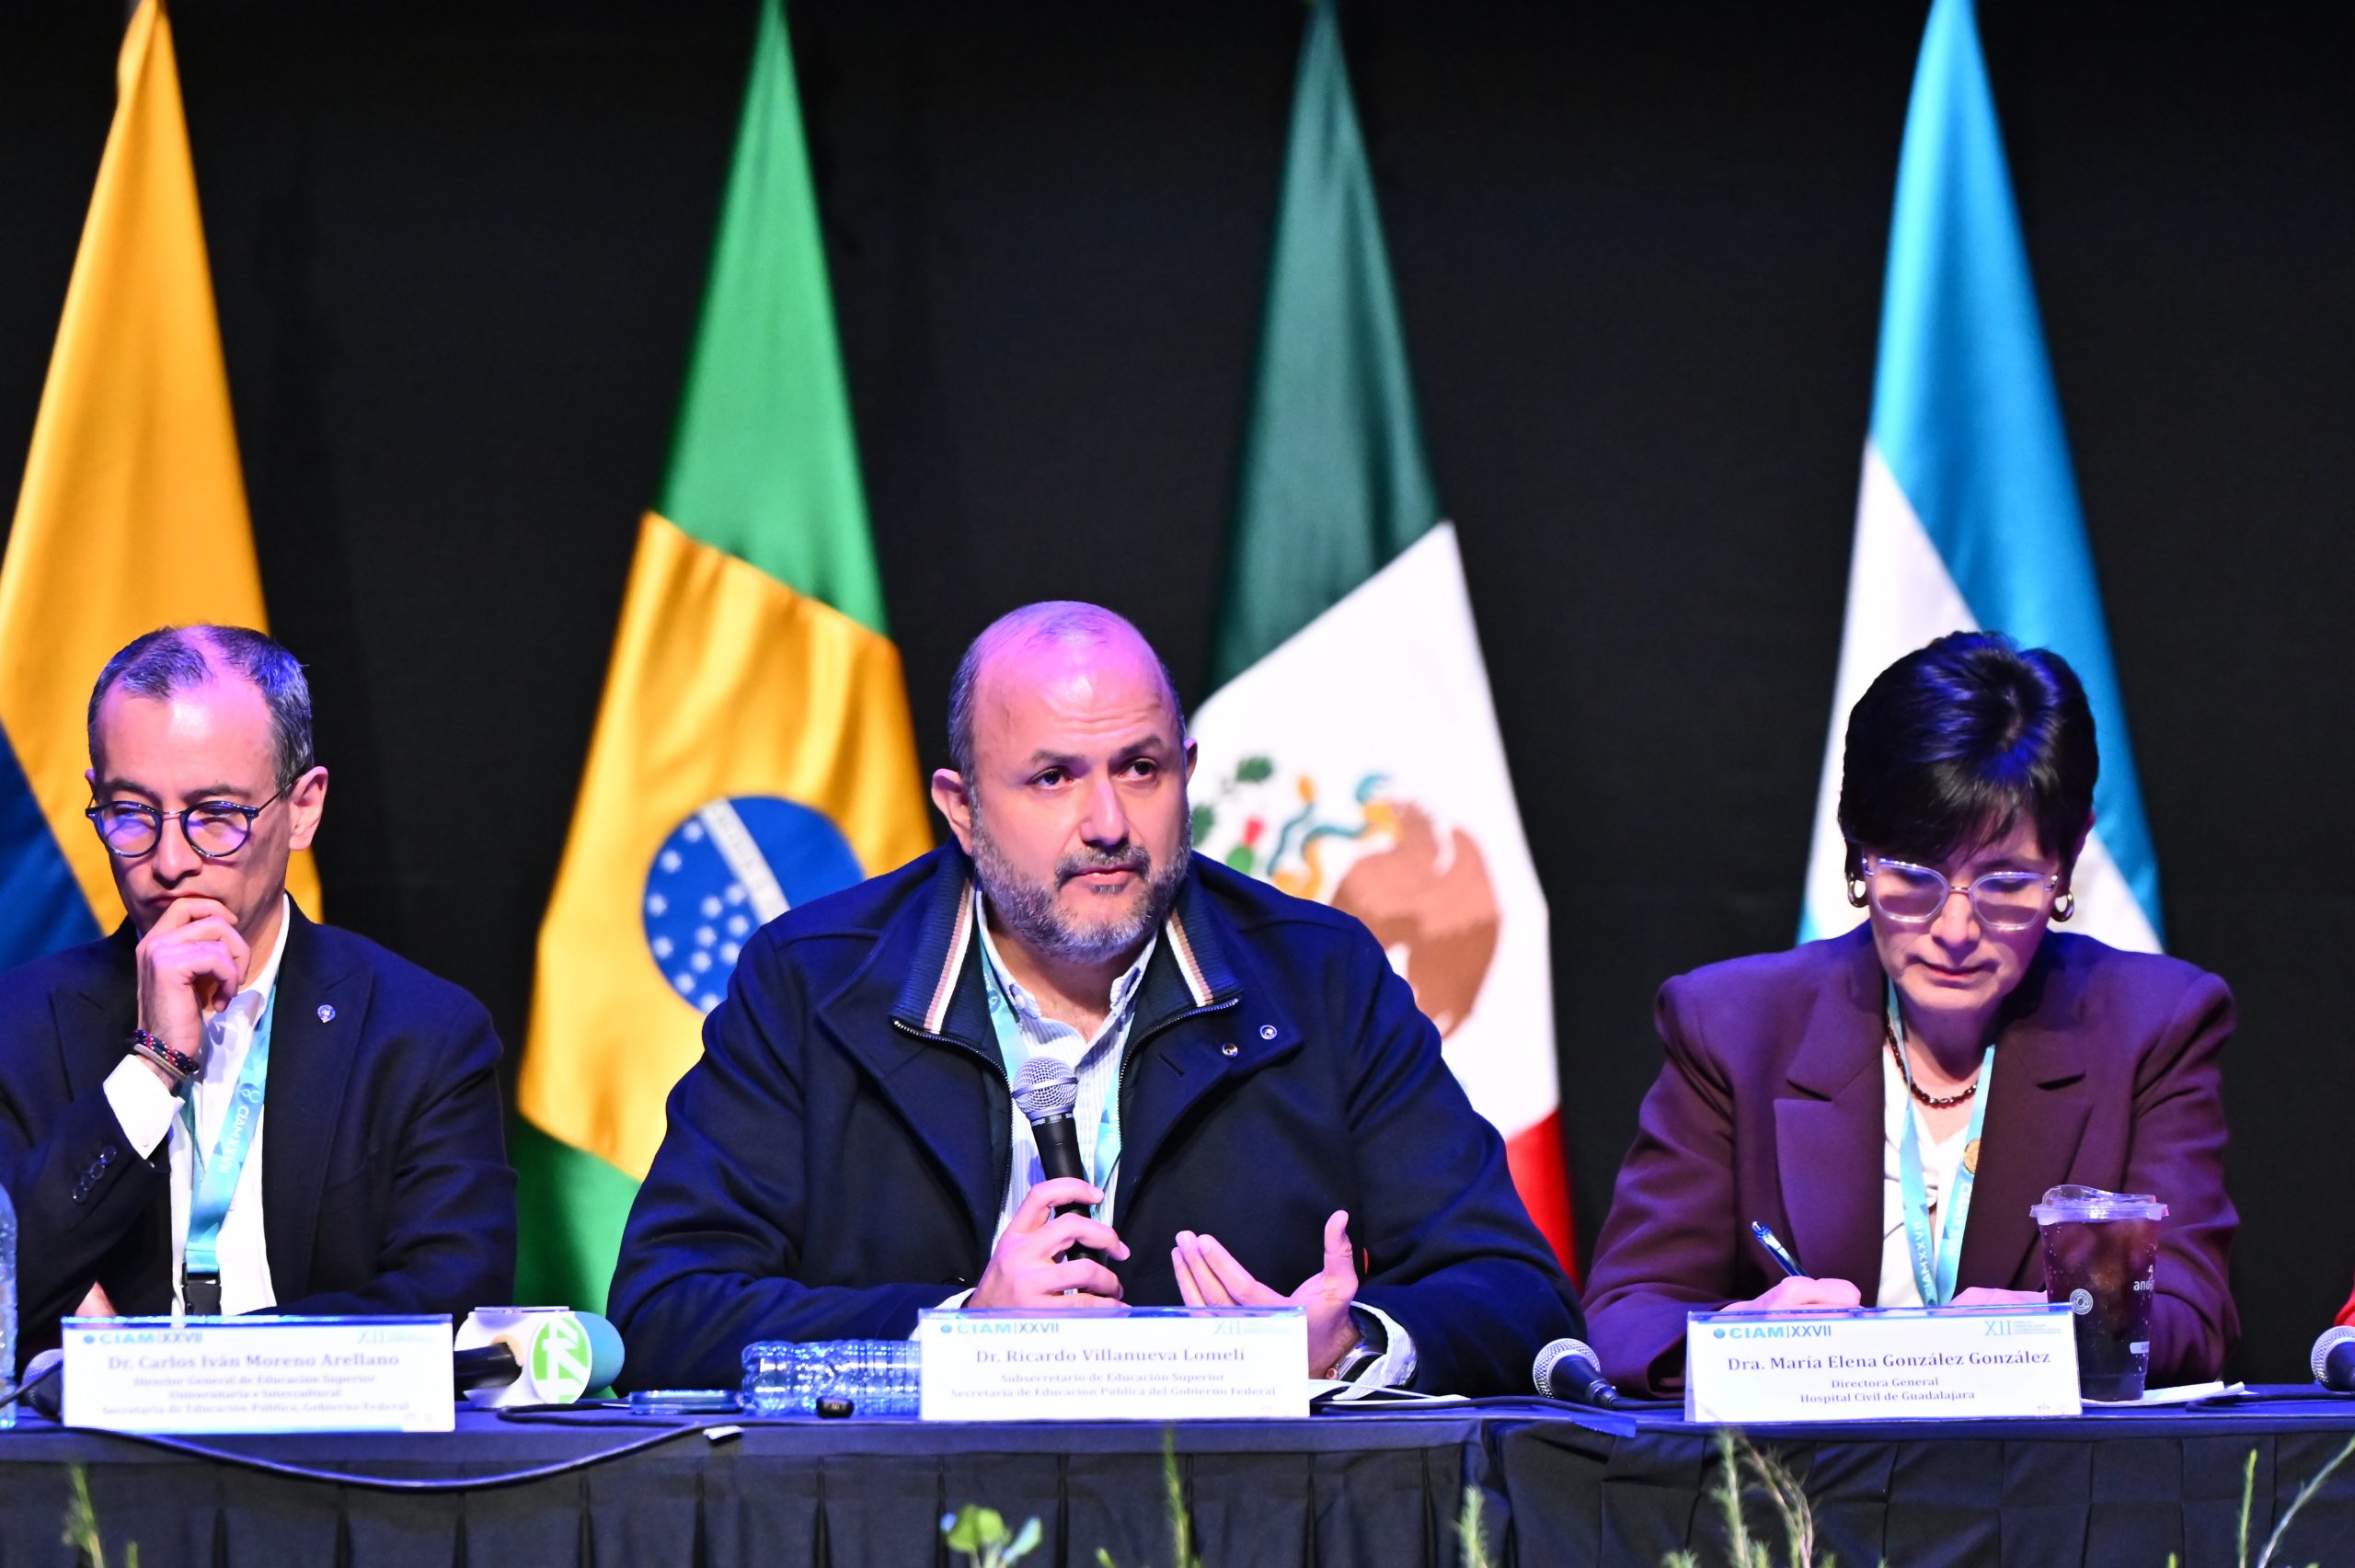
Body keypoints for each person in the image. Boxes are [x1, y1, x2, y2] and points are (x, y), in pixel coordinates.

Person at [608, 601, 1579, 1393]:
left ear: (1186, 773)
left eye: (1140, 769)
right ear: (961, 808)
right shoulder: (812, 982)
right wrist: (958, 1330)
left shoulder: (1321, 977)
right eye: (1052, 778)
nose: (1108, 822)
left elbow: (1518, 1293)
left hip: (1235, 1513)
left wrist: (1351, 1340)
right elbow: (665, 1312)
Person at [1582, 630, 2236, 1396]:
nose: (1955, 929)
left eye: (2004, 883)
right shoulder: (1731, 1025)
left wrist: (2054, 1332)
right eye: (1914, 878)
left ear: (2066, 859)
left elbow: (2190, 1315)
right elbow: (1628, 1316)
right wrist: (1747, 1333)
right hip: (1803, 1468)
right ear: (1858, 854)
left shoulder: (2155, 1025)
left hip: (2043, 1468)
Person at [0, 626, 515, 1359]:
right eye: (131, 811)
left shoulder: (424, 1034)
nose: (170, 862)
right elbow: (6, 1291)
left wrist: (170, 1365)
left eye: (216, 814)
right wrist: (151, 1066)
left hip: (332, 1438)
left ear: (303, 807)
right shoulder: (17, 1029)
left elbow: (453, 1302)